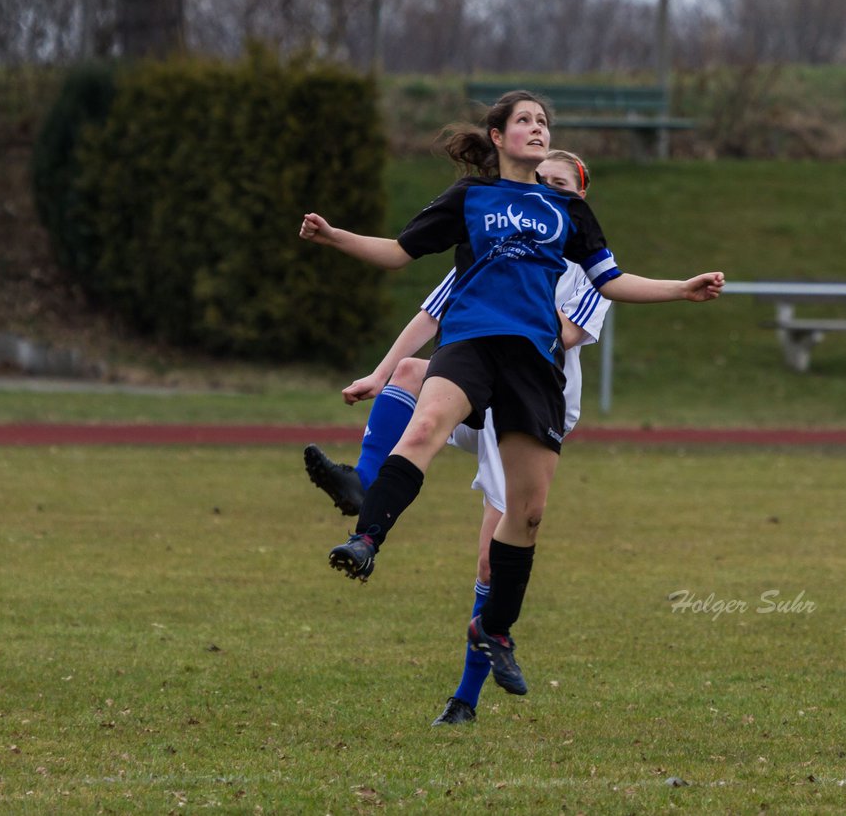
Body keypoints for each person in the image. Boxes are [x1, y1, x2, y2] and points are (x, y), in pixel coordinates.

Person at [299, 90, 724, 698]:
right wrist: (335, 235)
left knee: (526, 516)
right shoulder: (470, 199)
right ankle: (366, 538)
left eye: (544, 120)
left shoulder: (566, 213)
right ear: (497, 137)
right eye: (524, 119)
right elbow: (398, 252)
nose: (537, 127)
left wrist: (681, 288)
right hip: (472, 347)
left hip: (534, 363)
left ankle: (494, 629)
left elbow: (611, 280)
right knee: (422, 426)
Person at [305, 151, 609, 725]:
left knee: (492, 564)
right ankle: (362, 488)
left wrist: (517, 286)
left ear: (577, 199)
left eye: (560, 184)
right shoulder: (492, 240)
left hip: (527, 413)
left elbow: (558, 334)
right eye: (541, 179)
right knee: (410, 374)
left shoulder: (582, 267)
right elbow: (430, 318)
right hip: (479, 391)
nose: (545, 188)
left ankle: (464, 701)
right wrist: (377, 371)